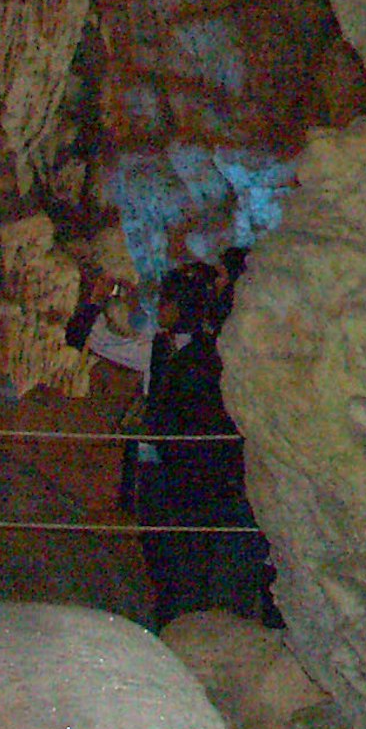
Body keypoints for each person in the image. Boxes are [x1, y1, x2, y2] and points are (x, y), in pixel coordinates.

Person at [121, 265, 274, 628]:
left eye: (165, 303)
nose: (159, 311)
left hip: (191, 481)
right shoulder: (164, 349)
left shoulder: (204, 359)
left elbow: (196, 419)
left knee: (186, 565)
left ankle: (185, 628)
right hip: (162, 476)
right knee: (162, 558)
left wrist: (156, 428)